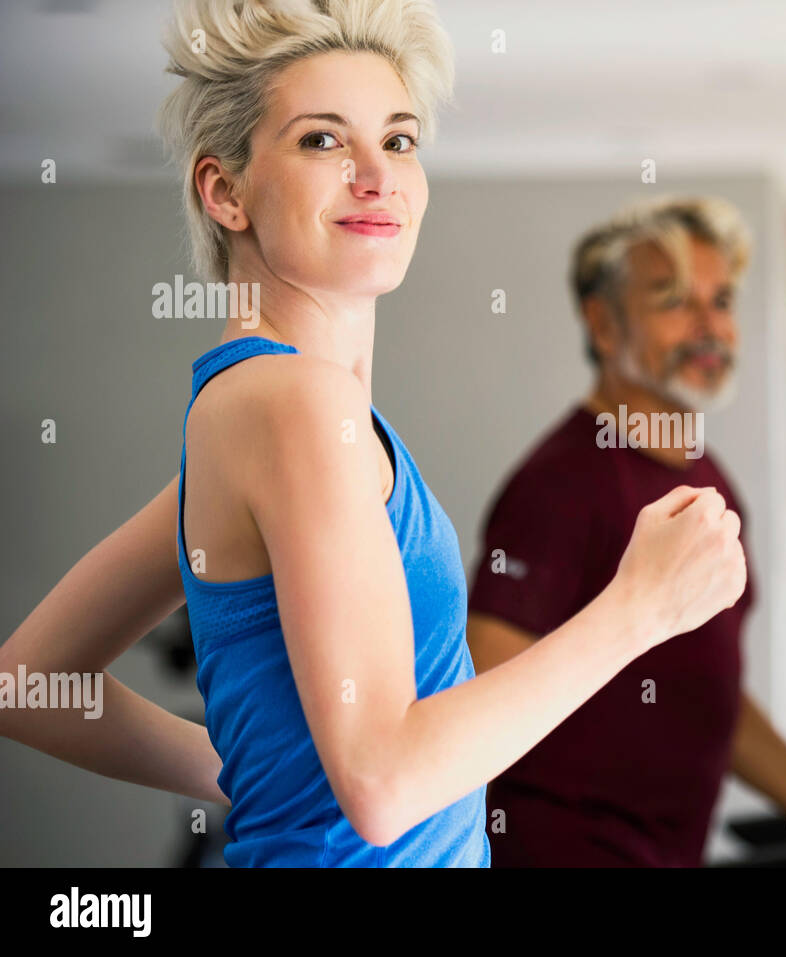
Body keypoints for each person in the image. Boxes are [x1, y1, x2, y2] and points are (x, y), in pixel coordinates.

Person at [0, 0, 745, 867]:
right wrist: (637, 609)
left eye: (398, 140)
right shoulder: (294, 406)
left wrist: (258, 770)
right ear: (225, 191)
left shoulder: (273, 414)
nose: (376, 174)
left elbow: (27, 683)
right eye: (322, 140)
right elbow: (385, 785)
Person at [466, 197, 786, 867]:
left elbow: (712, 702)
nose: (709, 327)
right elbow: (481, 712)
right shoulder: (559, 486)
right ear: (604, 325)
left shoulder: (709, 485)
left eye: (720, 300)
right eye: (673, 301)